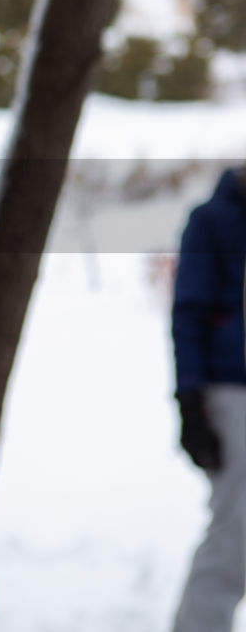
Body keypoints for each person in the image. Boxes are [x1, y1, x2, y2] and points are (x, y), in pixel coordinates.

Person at [169, 167, 246, 632]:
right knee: (236, 534)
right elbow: (189, 312)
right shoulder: (213, 220)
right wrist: (190, 400)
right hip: (230, 392)